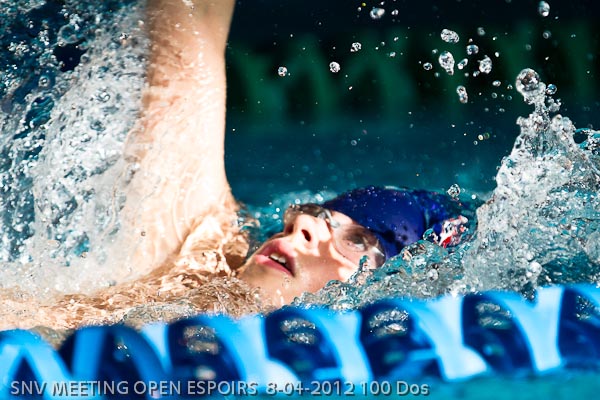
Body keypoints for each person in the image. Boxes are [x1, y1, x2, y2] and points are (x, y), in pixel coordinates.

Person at [116, 0, 467, 307]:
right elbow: (190, 35)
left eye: (356, 241)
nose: (302, 223)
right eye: (317, 215)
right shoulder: (195, 253)